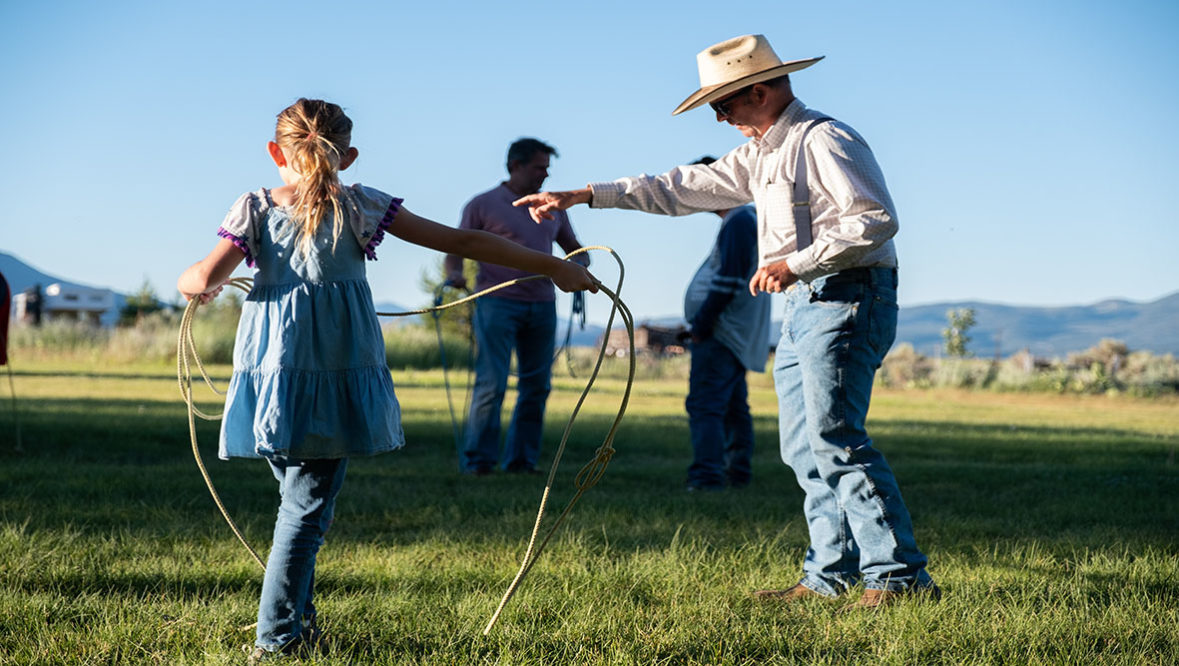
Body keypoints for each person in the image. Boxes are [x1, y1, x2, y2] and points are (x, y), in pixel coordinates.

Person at [514, 35, 937, 608]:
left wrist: (795, 262)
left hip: (845, 296)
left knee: (834, 438)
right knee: (803, 448)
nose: (719, 118)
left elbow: (874, 221)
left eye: (723, 105)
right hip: (805, 306)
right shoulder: (760, 153)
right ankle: (830, 576)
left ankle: (897, 578)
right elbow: (679, 187)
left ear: (758, 91)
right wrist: (587, 194)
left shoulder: (825, 139)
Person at [177, 99, 596, 662]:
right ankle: (276, 641)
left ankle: (298, 624)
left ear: (276, 152)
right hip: (335, 373)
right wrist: (553, 265)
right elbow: (464, 243)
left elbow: (203, 276)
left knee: (300, 503)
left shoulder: (253, 207)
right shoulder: (362, 205)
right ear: (348, 156)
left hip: (273, 378)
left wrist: (193, 283)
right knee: (304, 511)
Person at [443, 138, 588, 476]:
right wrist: (454, 274)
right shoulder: (482, 204)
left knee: (537, 387)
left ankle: (521, 462)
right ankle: (479, 462)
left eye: (547, 168)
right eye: (539, 167)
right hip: (496, 302)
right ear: (515, 166)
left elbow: (572, 246)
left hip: (543, 305)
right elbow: (455, 246)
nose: (546, 174)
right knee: (492, 383)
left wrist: (583, 258)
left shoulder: (553, 208)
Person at [679, 157, 771, 492]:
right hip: (729, 331)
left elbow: (728, 281)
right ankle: (736, 472)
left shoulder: (739, 221)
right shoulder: (742, 220)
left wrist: (703, 324)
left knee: (706, 404)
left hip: (722, 332)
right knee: (732, 405)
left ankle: (707, 477)